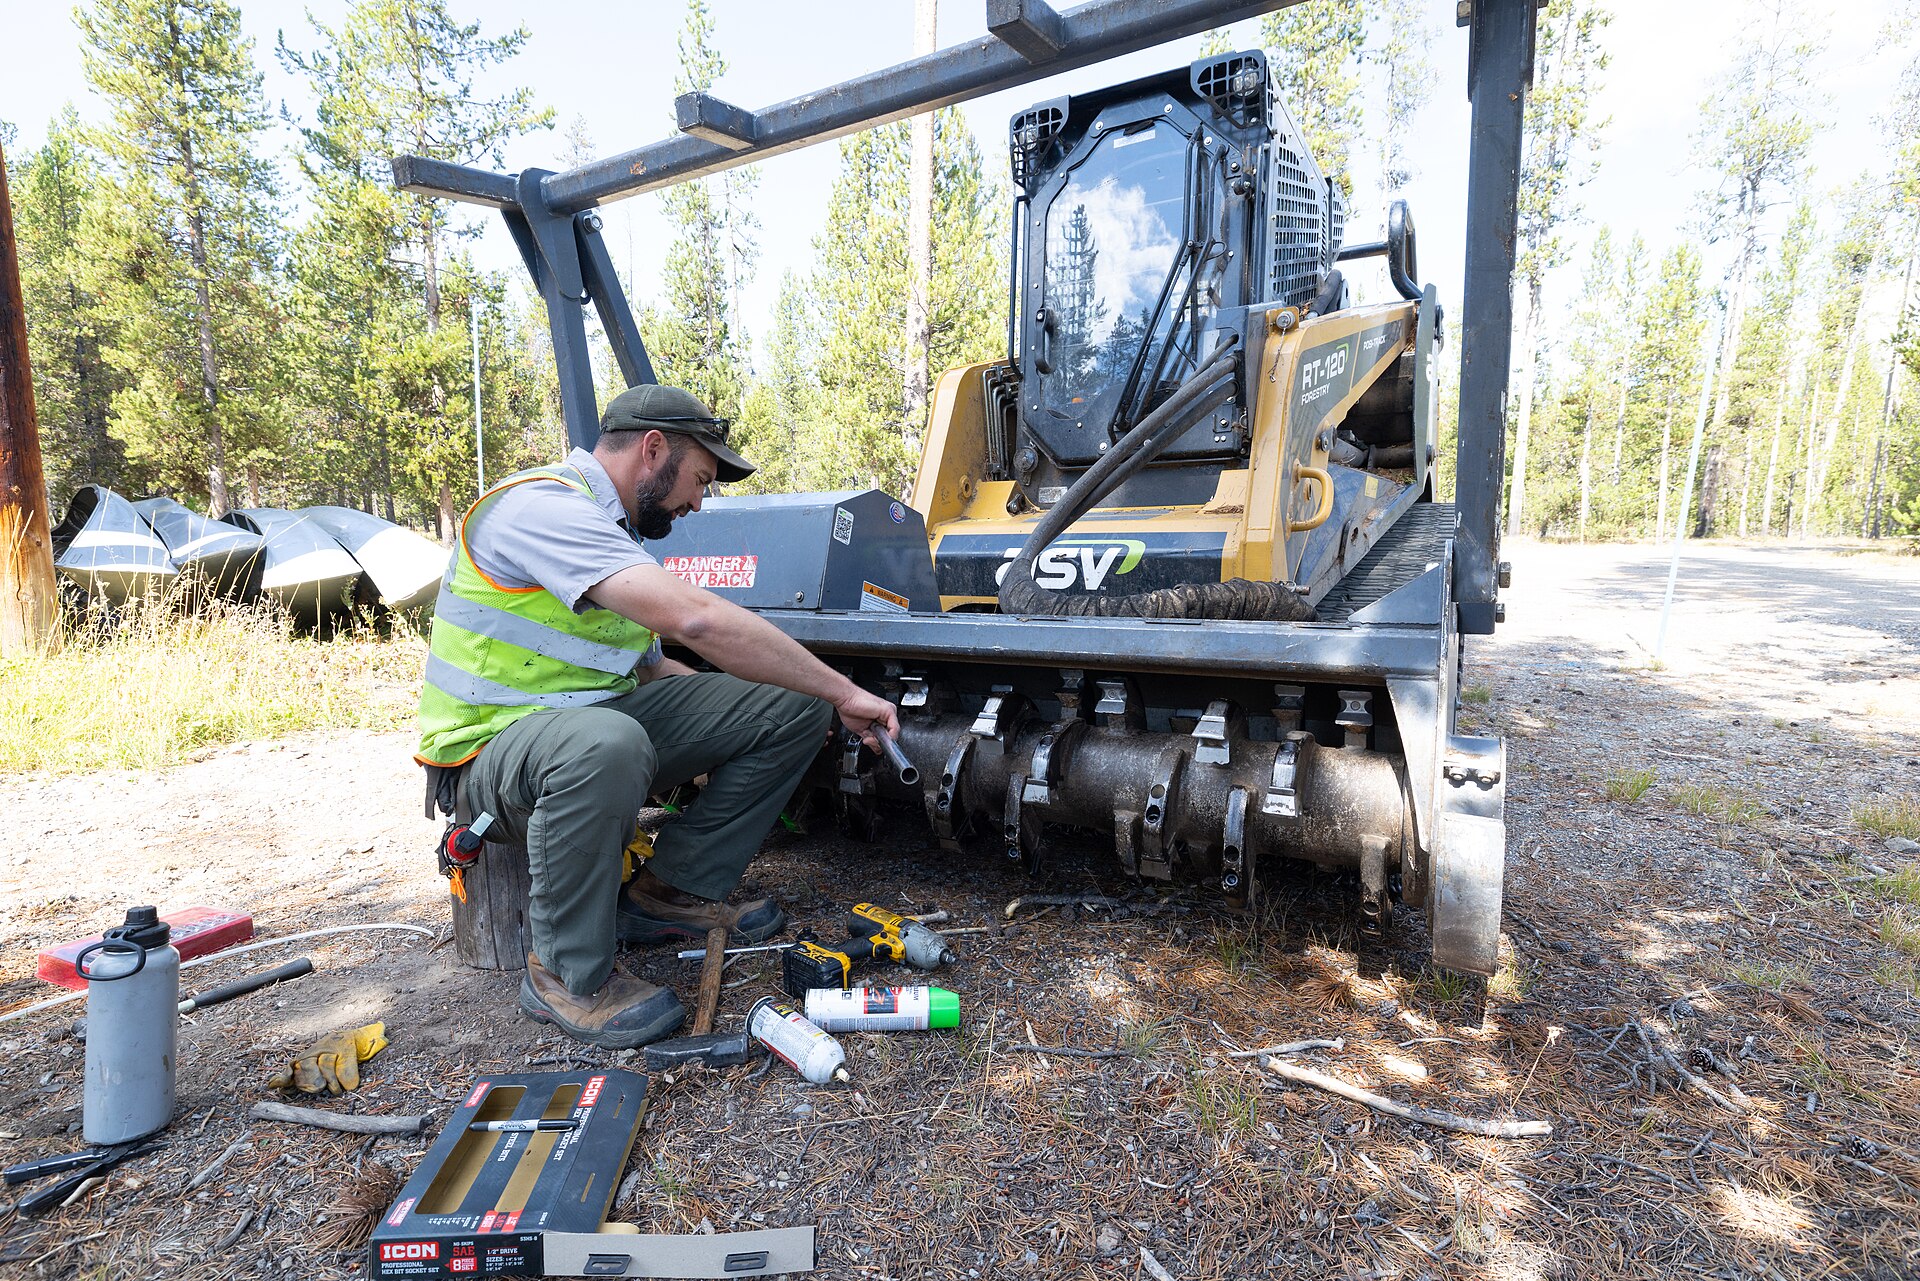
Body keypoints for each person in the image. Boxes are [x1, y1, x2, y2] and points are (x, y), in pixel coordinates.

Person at [414, 383, 899, 1049]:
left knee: (790, 703)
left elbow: (651, 669)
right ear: (652, 450)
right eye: (699, 478)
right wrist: (847, 687)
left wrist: (770, 713)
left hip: (588, 731)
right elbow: (695, 619)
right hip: (487, 761)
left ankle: (669, 889)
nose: (698, 500)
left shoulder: (611, 536)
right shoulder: (540, 507)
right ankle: (563, 971)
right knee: (609, 743)